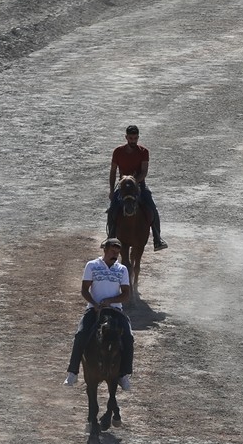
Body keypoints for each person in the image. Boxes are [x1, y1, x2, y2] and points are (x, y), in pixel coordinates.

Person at [63, 237, 134, 389]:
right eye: (112, 251)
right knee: (81, 334)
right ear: (105, 250)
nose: (115, 255)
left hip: (115, 310)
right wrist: (94, 304)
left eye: (118, 252)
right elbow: (84, 289)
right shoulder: (92, 265)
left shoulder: (122, 269)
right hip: (94, 310)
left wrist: (110, 301)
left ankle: (124, 374)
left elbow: (126, 294)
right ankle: (73, 371)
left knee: (128, 337)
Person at [108, 125, 168, 250]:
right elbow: (113, 171)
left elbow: (144, 171)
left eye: (135, 138)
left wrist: (134, 181)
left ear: (138, 137)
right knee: (112, 209)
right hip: (123, 186)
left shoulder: (143, 151)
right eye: (131, 138)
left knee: (152, 209)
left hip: (139, 185)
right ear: (126, 137)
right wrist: (111, 190)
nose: (133, 141)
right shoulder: (118, 151)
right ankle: (110, 236)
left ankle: (157, 238)